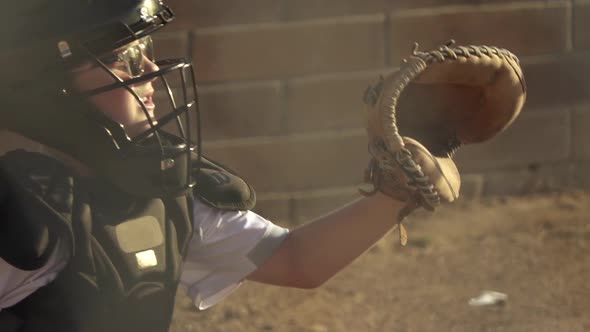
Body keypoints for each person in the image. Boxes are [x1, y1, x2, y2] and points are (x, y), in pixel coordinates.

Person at [0, 1, 460, 331]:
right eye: (121, 60)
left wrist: (394, 195)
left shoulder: (155, 190)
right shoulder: (17, 209)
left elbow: (296, 261)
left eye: (144, 51)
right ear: (48, 91)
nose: (148, 73)